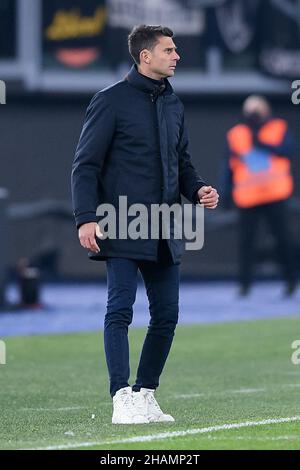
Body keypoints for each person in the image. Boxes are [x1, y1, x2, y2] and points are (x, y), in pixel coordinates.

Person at [71, 25, 219, 424]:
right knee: (120, 309)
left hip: (165, 226)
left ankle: (146, 393)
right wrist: (86, 218)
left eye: (175, 50)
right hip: (119, 222)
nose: (177, 56)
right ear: (145, 56)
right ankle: (121, 396)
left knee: (166, 315)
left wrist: (200, 189)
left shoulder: (173, 104)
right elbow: (85, 165)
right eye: (169, 50)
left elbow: (182, 163)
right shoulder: (110, 101)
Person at [221, 95, 297, 297]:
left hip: (275, 195)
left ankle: (291, 281)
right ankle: (244, 285)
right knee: (246, 243)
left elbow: (288, 152)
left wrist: (260, 141)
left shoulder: (278, 128)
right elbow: (228, 167)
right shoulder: (236, 134)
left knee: (283, 239)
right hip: (248, 197)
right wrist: (226, 194)